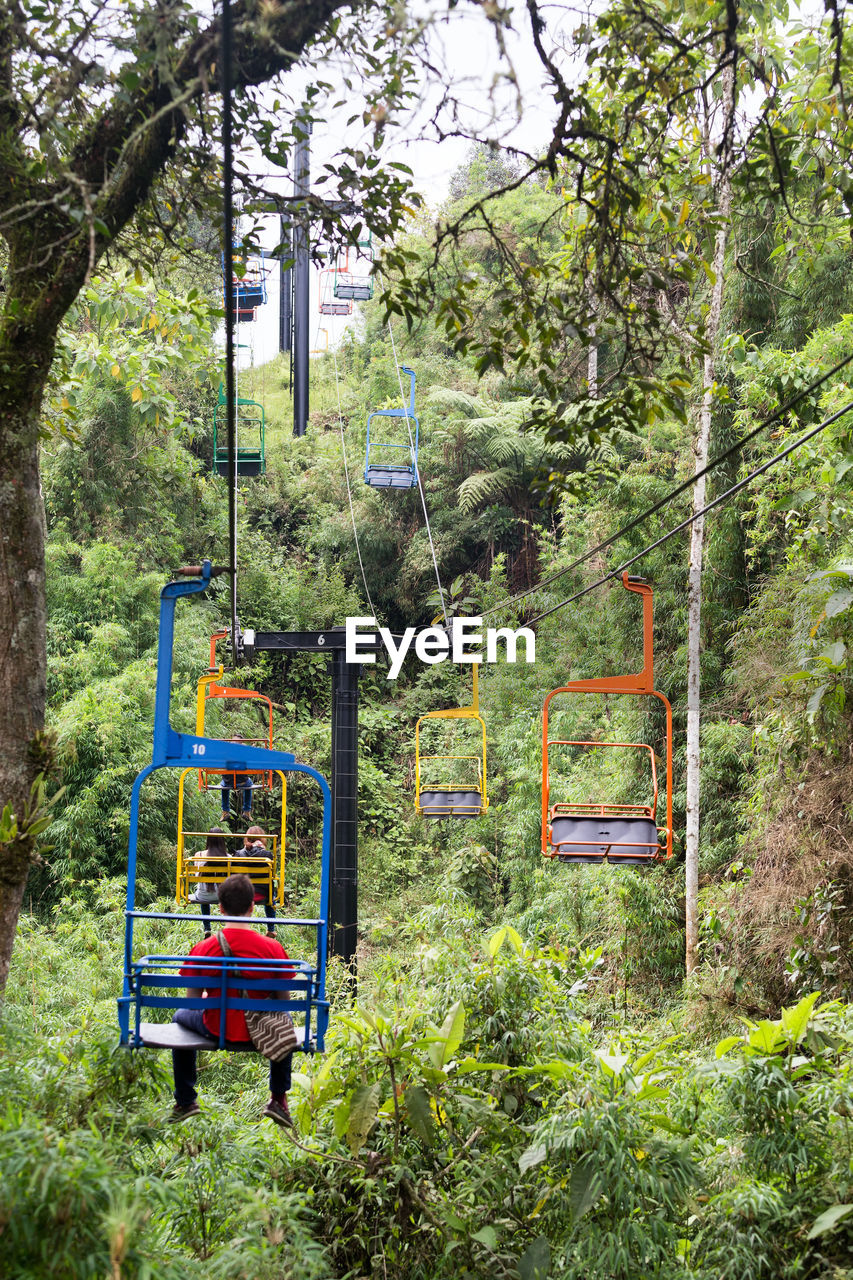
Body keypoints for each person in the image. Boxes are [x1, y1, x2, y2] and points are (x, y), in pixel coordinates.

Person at [169, 873, 295, 1128]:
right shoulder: (273, 949)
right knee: (286, 1018)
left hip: (215, 1026)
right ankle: (278, 1098)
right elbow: (283, 1001)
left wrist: (211, 996)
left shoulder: (204, 948)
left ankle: (186, 1099)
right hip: (258, 1030)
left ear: (220, 908)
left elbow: (193, 1003)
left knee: (179, 1017)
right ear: (252, 907)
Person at [188, 828, 230, 937]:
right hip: (223, 897)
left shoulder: (199, 855)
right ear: (222, 840)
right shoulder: (229, 857)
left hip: (203, 896)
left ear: (208, 839)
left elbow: (196, 875)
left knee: (203, 894)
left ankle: (207, 927)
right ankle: (227, 924)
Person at [243, 824, 276, 936]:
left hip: (244, 894)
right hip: (263, 895)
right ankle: (271, 928)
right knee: (272, 893)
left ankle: (241, 926)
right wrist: (262, 850)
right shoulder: (267, 855)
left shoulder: (239, 854)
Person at [220, 734, 253, 822]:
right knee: (249, 784)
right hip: (242, 782)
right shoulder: (245, 752)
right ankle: (246, 811)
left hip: (228, 782)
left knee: (223, 785)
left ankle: (225, 811)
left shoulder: (225, 752)